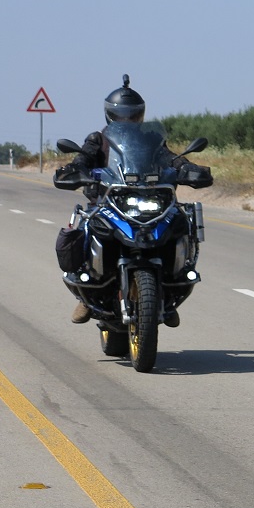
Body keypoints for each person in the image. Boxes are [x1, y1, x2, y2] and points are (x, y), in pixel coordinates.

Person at [57, 75, 209, 325]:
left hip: (148, 198)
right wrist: (76, 169)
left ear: (140, 113)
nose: (126, 118)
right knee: (88, 225)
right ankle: (86, 295)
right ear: (110, 114)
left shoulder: (150, 138)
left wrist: (186, 167)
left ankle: (168, 289)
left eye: (132, 113)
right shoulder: (98, 139)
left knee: (179, 222)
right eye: (121, 113)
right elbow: (84, 158)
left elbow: (168, 157)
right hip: (108, 201)